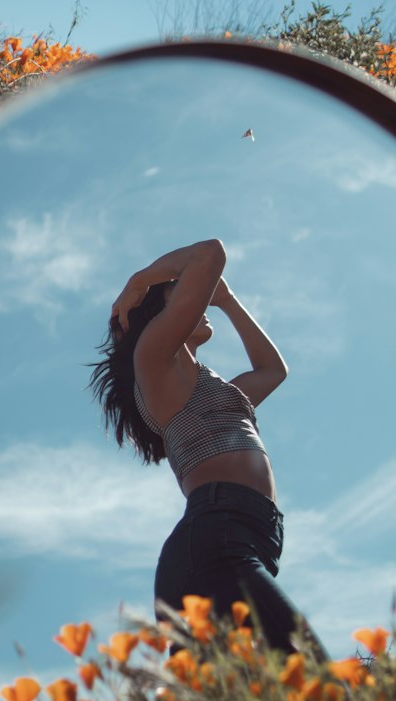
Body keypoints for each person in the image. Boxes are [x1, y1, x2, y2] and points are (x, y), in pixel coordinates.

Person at [87, 238, 326, 660]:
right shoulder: (154, 359)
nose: (193, 295)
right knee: (314, 679)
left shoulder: (209, 389)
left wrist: (229, 301)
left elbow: (272, 371)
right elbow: (210, 254)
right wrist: (140, 281)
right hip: (216, 540)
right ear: (158, 316)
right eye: (175, 291)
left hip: (244, 538)